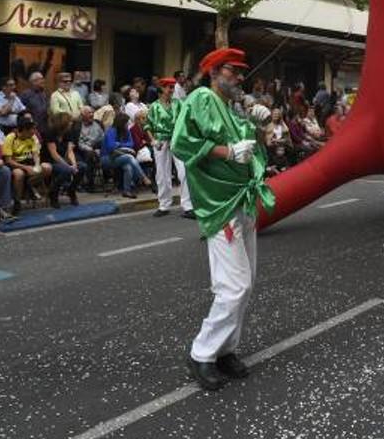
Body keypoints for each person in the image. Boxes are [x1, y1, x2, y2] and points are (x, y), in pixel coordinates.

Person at [172, 47, 274, 391]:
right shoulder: (200, 98)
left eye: (241, 72)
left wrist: (260, 126)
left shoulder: (233, 109)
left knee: (247, 281)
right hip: (219, 204)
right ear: (214, 71)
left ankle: (226, 349)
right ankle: (202, 353)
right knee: (235, 285)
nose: (239, 77)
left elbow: (256, 152)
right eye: (233, 70)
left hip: (241, 199)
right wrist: (227, 151)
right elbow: (181, 144)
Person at [148, 77, 194, 218]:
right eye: (169, 87)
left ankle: (187, 206)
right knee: (162, 174)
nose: (172, 90)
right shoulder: (154, 106)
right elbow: (148, 126)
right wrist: (153, 140)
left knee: (184, 172)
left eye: (173, 87)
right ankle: (163, 205)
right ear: (162, 89)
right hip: (160, 142)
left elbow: (185, 120)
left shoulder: (178, 104)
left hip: (177, 140)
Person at [2, 115, 50, 215]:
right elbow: (8, 160)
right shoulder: (10, 138)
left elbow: (36, 154)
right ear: (24, 130)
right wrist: (25, 168)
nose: (34, 132)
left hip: (30, 162)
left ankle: (29, 183)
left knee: (47, 167)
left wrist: (36, 165)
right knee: (19, 174)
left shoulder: (33, 136)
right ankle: (17, 202)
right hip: (16, 164)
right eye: (32, 129)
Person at [102, 112, 149, 198]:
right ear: (121, 123)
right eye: (126, 122)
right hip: (108, 158)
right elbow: (110, 147)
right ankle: (143, 177)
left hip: (120, 156)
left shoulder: (126, 131)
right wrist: (123, 145)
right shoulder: (111, 131)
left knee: (128, 166)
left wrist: (119, 145)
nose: (128, 124)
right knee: (129, 157)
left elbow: (131, 144)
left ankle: (126, 191)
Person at [44, 111, 81, 207]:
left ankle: (71, 190)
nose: (71, 123)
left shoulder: (68, 132)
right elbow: (54, 154)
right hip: (51, 161)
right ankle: (53, 193)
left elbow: (70, 151)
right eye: (69, 122)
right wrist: (68, 166)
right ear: (63, 123)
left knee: (82, 167)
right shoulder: (50, 133)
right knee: (66, 170)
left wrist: (74, 164)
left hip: (64, 159)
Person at [76, 105, 105, 189]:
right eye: (89, 113)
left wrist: (99, 149)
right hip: (83, 151)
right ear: (83, 115)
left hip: (97, 149)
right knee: (90, 154)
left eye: (92, 112)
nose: (92, 114)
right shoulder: (79, 127)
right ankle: (89, 183)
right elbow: (79, 143)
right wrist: (89, 149)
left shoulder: (97, 124)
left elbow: (103, 138)